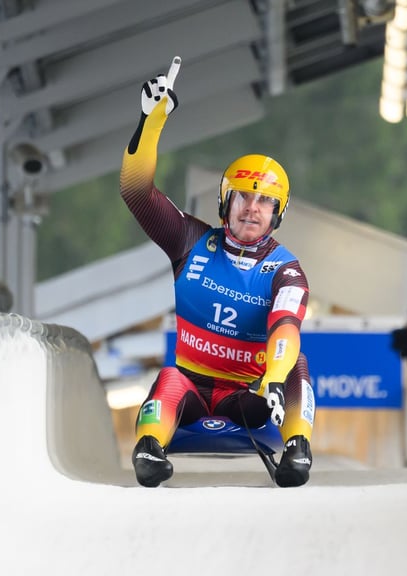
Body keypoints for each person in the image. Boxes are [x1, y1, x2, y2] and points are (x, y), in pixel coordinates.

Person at [120, 63, 315, 488]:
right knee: (170, 376)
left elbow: (285, 327)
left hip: (245, 396)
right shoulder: (189, 240)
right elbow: (136, 193)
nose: (252, 208)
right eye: (244, 196)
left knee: (295, 362)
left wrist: (276, 382)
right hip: (190, 388)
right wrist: (150, 123)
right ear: (225, 201)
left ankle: (298, 446)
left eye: (265, 201)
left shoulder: (287, 270)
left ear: (278, 213)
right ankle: (148, 449)